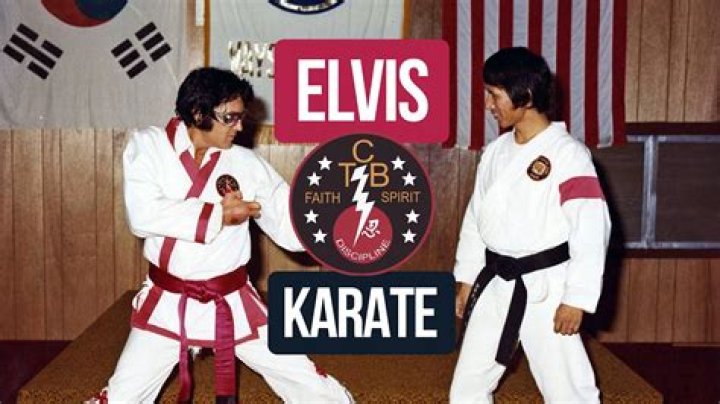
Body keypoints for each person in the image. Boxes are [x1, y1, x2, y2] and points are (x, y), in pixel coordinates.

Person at [89, 67, 353, 403]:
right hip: (169, 302)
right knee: (122, 396)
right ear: (198, 113)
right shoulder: (149, 147)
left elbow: (288, 221)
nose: (239, 127)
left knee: (305, 380)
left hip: (231, 299)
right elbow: (142, 214)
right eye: (230, 118)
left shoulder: (245, 163)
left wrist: (336, 223)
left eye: (241, 117)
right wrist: (218, 214)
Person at [449, 47, 611, 403]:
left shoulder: (569, 155)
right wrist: (467, 277)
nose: (488, 104)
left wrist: (577, 298)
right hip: (496, 283)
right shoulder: (495, 152)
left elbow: (590, 230)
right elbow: (475, 218)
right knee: (467, 387)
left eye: (494, 95)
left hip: (547, 288)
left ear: (525, 95)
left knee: (568, 391)